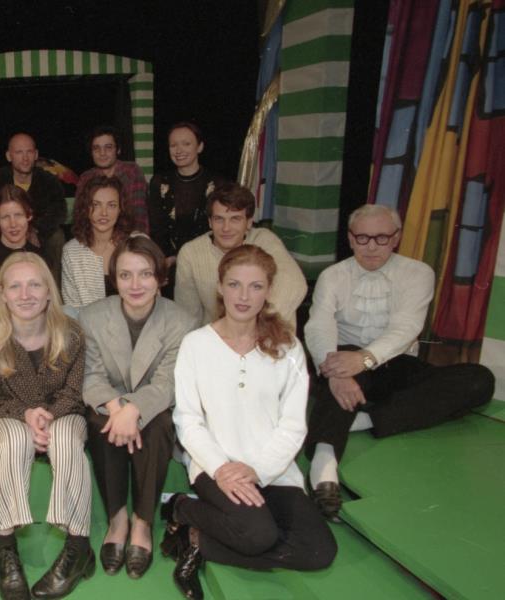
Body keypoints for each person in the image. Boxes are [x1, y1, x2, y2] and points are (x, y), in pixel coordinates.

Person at [303, 204, 494, 521]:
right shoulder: (332, 276)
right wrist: (335, 371)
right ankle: (323, 469)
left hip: (395, 362)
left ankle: (364, 420)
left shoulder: (418, 273)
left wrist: (364, 359)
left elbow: (406, 328)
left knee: (479, 380)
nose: (371, 246)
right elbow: (319, 325)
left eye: (381, 238)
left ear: (396, 238)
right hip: (345, 362)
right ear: (350, 238)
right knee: (338, 361)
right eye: (362, 238)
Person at [167, 245, 337, 600]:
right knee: (259, 535)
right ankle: (183, 505)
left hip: (271, 469)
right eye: (235, 284)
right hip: (215, 467)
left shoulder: (288, 347)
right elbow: (188, 419)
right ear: (220, 286)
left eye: (255, 286)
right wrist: (222, 468)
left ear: (268, 290)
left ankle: (194, 535)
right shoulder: (195, 344)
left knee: (319, 551)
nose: (244, 296)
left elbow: (293, 425)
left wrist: (257, 470)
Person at [0, 253, 93, 599]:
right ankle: (5, 546)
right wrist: (26, 414)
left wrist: (47, 418)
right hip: (9, 417)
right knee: (14, 441)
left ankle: (78, 546)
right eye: (15, 286)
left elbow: (75, 390)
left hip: (64, 413)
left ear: (49, 292)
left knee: (65, 438)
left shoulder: (71, 334)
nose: (25, 295)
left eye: (34, 285)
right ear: (2, 294)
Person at [79, 235, 195, 579]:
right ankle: (117, 519)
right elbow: (90, 375)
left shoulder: (181, 321)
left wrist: (133, 409)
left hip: (154, 403)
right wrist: (117, 407)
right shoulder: (91, 317)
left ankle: (142, 521)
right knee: (99, 421)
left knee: (158, 425)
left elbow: (168, 382)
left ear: (161, 278)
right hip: (108, 400)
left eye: (145, 274)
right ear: (114, 279)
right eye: (125, 275)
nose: (135, 285)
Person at [175, 183, 306, 329]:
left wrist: (252, 330)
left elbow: (294, 283)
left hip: (267, 332)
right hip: (217, 336)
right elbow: (187, 316)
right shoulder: (190, 253)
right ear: (210, 222)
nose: (226, 228)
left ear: (249, 222)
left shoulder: (264, 240)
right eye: (219, 219)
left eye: (235, 219)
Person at [0, 133, 67, 280]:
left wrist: (34, 229)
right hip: (3, 231)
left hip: (40, 232)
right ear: (9, 156)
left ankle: (52, 285)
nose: (25, 158)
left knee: (57, 236)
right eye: (19, 152)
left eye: (29, 152)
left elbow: (59, 212)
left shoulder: (49, 181)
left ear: (36, 155)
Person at [148, 122, 224, 268]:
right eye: (173, 145)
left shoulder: (218, 183)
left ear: (200, 147)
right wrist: (168, 258)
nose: (179, 150)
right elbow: (157, 227)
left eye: (186, 144)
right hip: (168, 262)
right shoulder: (159, 182)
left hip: (208, 260)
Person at [61, 175, 134, 311]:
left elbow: (151, 300)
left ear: (120, 209)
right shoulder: (71, 252)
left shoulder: (137, 245)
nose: (104, 213)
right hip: (86, 324)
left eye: (111, 205)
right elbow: (72, 310)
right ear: (85, 208)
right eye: (96, 205)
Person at [75, 125, 148, 233]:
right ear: (91, 152)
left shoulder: (131, 172)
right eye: (96, 148)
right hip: (95, 236)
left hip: (127, 234)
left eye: (108, 147)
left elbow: (139, 214)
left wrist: (137, 238)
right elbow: (80, 216)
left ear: (118, 150)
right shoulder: (86, 178)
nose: (102, 153)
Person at [0, 184, 48, 279]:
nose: (13, 224)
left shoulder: (41, 258)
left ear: (29, 215)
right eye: (5, 217)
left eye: (18, 215)